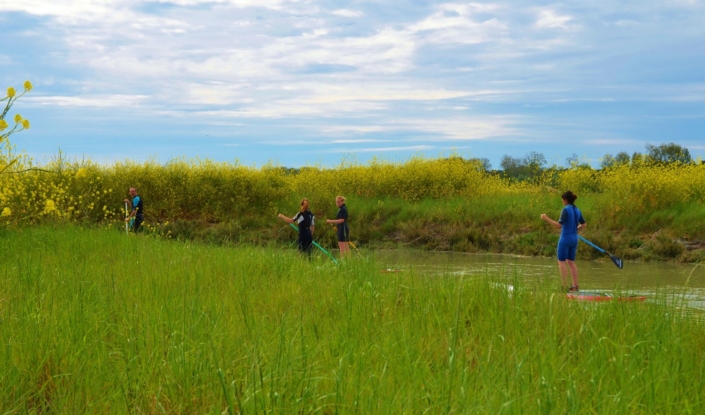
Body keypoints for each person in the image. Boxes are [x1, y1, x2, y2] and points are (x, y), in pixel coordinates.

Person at [540, 190, 586, 292]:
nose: (562, 201)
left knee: (561, 262)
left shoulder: (565, 210)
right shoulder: (577, 210)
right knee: (571, 262)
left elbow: (559, 225)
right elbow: (584, 224)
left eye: (562, 199)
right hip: (574, 238)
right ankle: (575, 286)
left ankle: (564, 287)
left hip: (565, 238)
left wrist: (546, 218)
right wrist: (576, 230)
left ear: (565, 200)